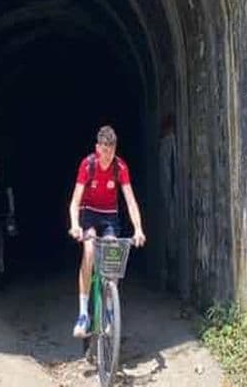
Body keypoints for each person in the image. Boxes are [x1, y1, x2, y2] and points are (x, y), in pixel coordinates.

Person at [68, 125, 146, 338]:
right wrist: (75, 225)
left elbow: (130, 200)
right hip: (89, 214)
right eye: (103, 151)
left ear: (115, 150)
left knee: (113, 253)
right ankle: (83, 314)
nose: (106, 156)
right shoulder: (88, 165)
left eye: (110, 152)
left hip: (110, 215)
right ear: (97, 148)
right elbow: (75, 202)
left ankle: (110, 308)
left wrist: (138, 229)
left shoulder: (119, 167)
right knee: (90, 252)